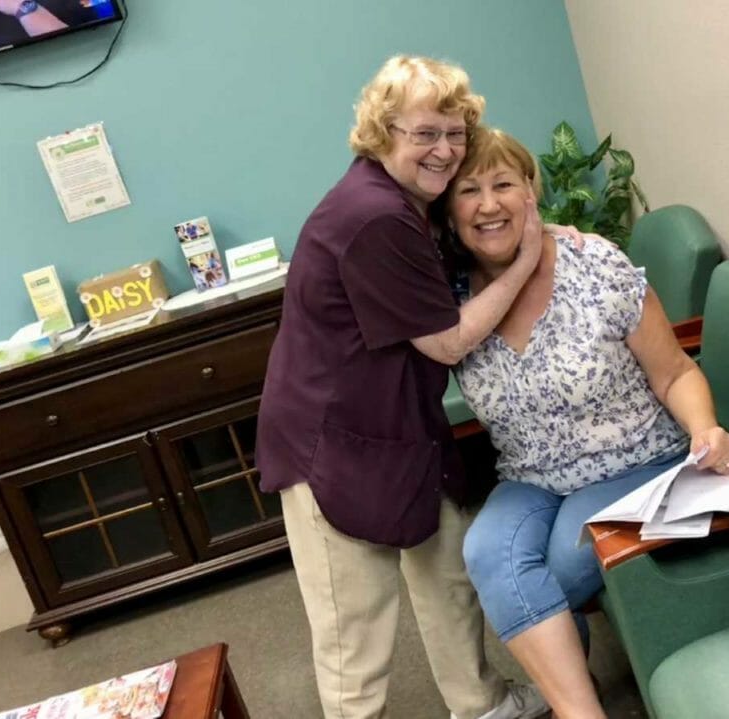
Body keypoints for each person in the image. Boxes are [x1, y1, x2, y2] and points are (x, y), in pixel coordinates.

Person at [255, 57, 552, 719]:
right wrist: (528, 260)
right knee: (354, 631)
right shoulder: (376, 216)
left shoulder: (410, 204)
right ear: (382, 131)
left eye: (454, 133)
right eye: (424, 133)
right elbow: (447, 340)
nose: (443, 150)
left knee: (447, 577)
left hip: (403, 426)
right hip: (333, 443)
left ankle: (481, 704)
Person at [445, 127, 729, 719]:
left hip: (632, 460)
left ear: (531, 191)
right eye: (468, 190)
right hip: (529, 476)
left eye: (504, 183)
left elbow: (674, 372)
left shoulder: (593, 263)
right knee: (484, 551)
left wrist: (705, 427)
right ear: (448, 214)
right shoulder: (447, 297)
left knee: (559, 563)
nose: (488, 203)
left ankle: (572, 704)